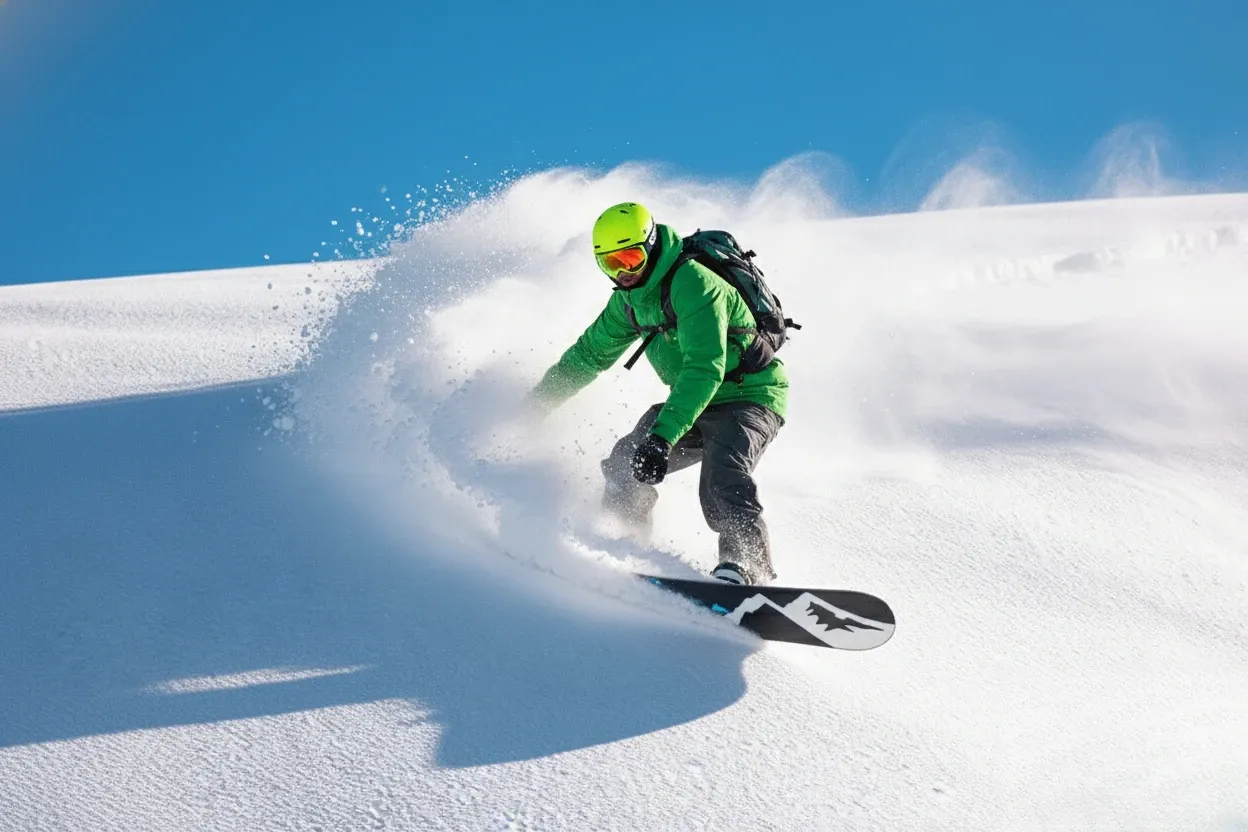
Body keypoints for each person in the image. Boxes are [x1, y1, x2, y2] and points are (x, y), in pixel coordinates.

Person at [528, 202, 788, 585]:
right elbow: (585, 358)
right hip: (694, 402)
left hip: (749, 396)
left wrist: (663, 439)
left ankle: (747, 567)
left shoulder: (694, 282)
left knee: (723, 476)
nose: (623, 272)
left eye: (631, 258)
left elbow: (704, 368)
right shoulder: (628, 303)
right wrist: (530, 410)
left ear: (650, 247)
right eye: (610, 263)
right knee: (625, 461)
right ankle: (626, 542)